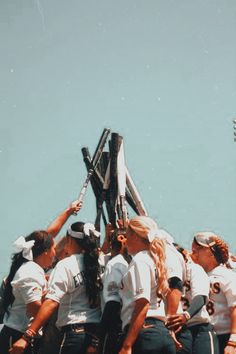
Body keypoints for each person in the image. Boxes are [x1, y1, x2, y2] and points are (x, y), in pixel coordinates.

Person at [9, 221, 103, 354]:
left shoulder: (66, 265)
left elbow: (52, 302)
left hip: (75, 336)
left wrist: (27, 336)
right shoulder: (102, 262)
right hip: (98, 339)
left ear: (69, 240)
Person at [118, 216, 176, 354]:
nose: (125, 240)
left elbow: (143, 303)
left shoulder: (141, 260)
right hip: (162, 332)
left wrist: (127, 345)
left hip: (145, 334)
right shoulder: (156, 260)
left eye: (127, 235)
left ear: (136, 237)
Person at [0, 231, 56, 354]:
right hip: (17, 336)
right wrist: (53, 298)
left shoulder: (31, 268)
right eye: (54, 248)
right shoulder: (31, 271)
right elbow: (34, 309)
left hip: (21, 335)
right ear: (46, 251)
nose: (55, 253)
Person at [167, 245, 219, 354]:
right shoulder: (167, 274)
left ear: (184, 256)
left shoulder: (194, 269)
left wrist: (186, 315)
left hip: (199, 327)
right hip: (180, 330)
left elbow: (201, 297)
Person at [191, 232, 236, 354]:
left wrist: (233, 342)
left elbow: (235, 307)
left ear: (211, 252)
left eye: (198, 248)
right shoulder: (198, 275)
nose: (194, 251)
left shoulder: (226, 275)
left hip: (225, 336)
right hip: (206, 335)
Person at [100, 228, 129, 354]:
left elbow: (112, 303)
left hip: (115, 327)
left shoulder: (116, 264)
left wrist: (99, 336)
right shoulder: (123, 264)